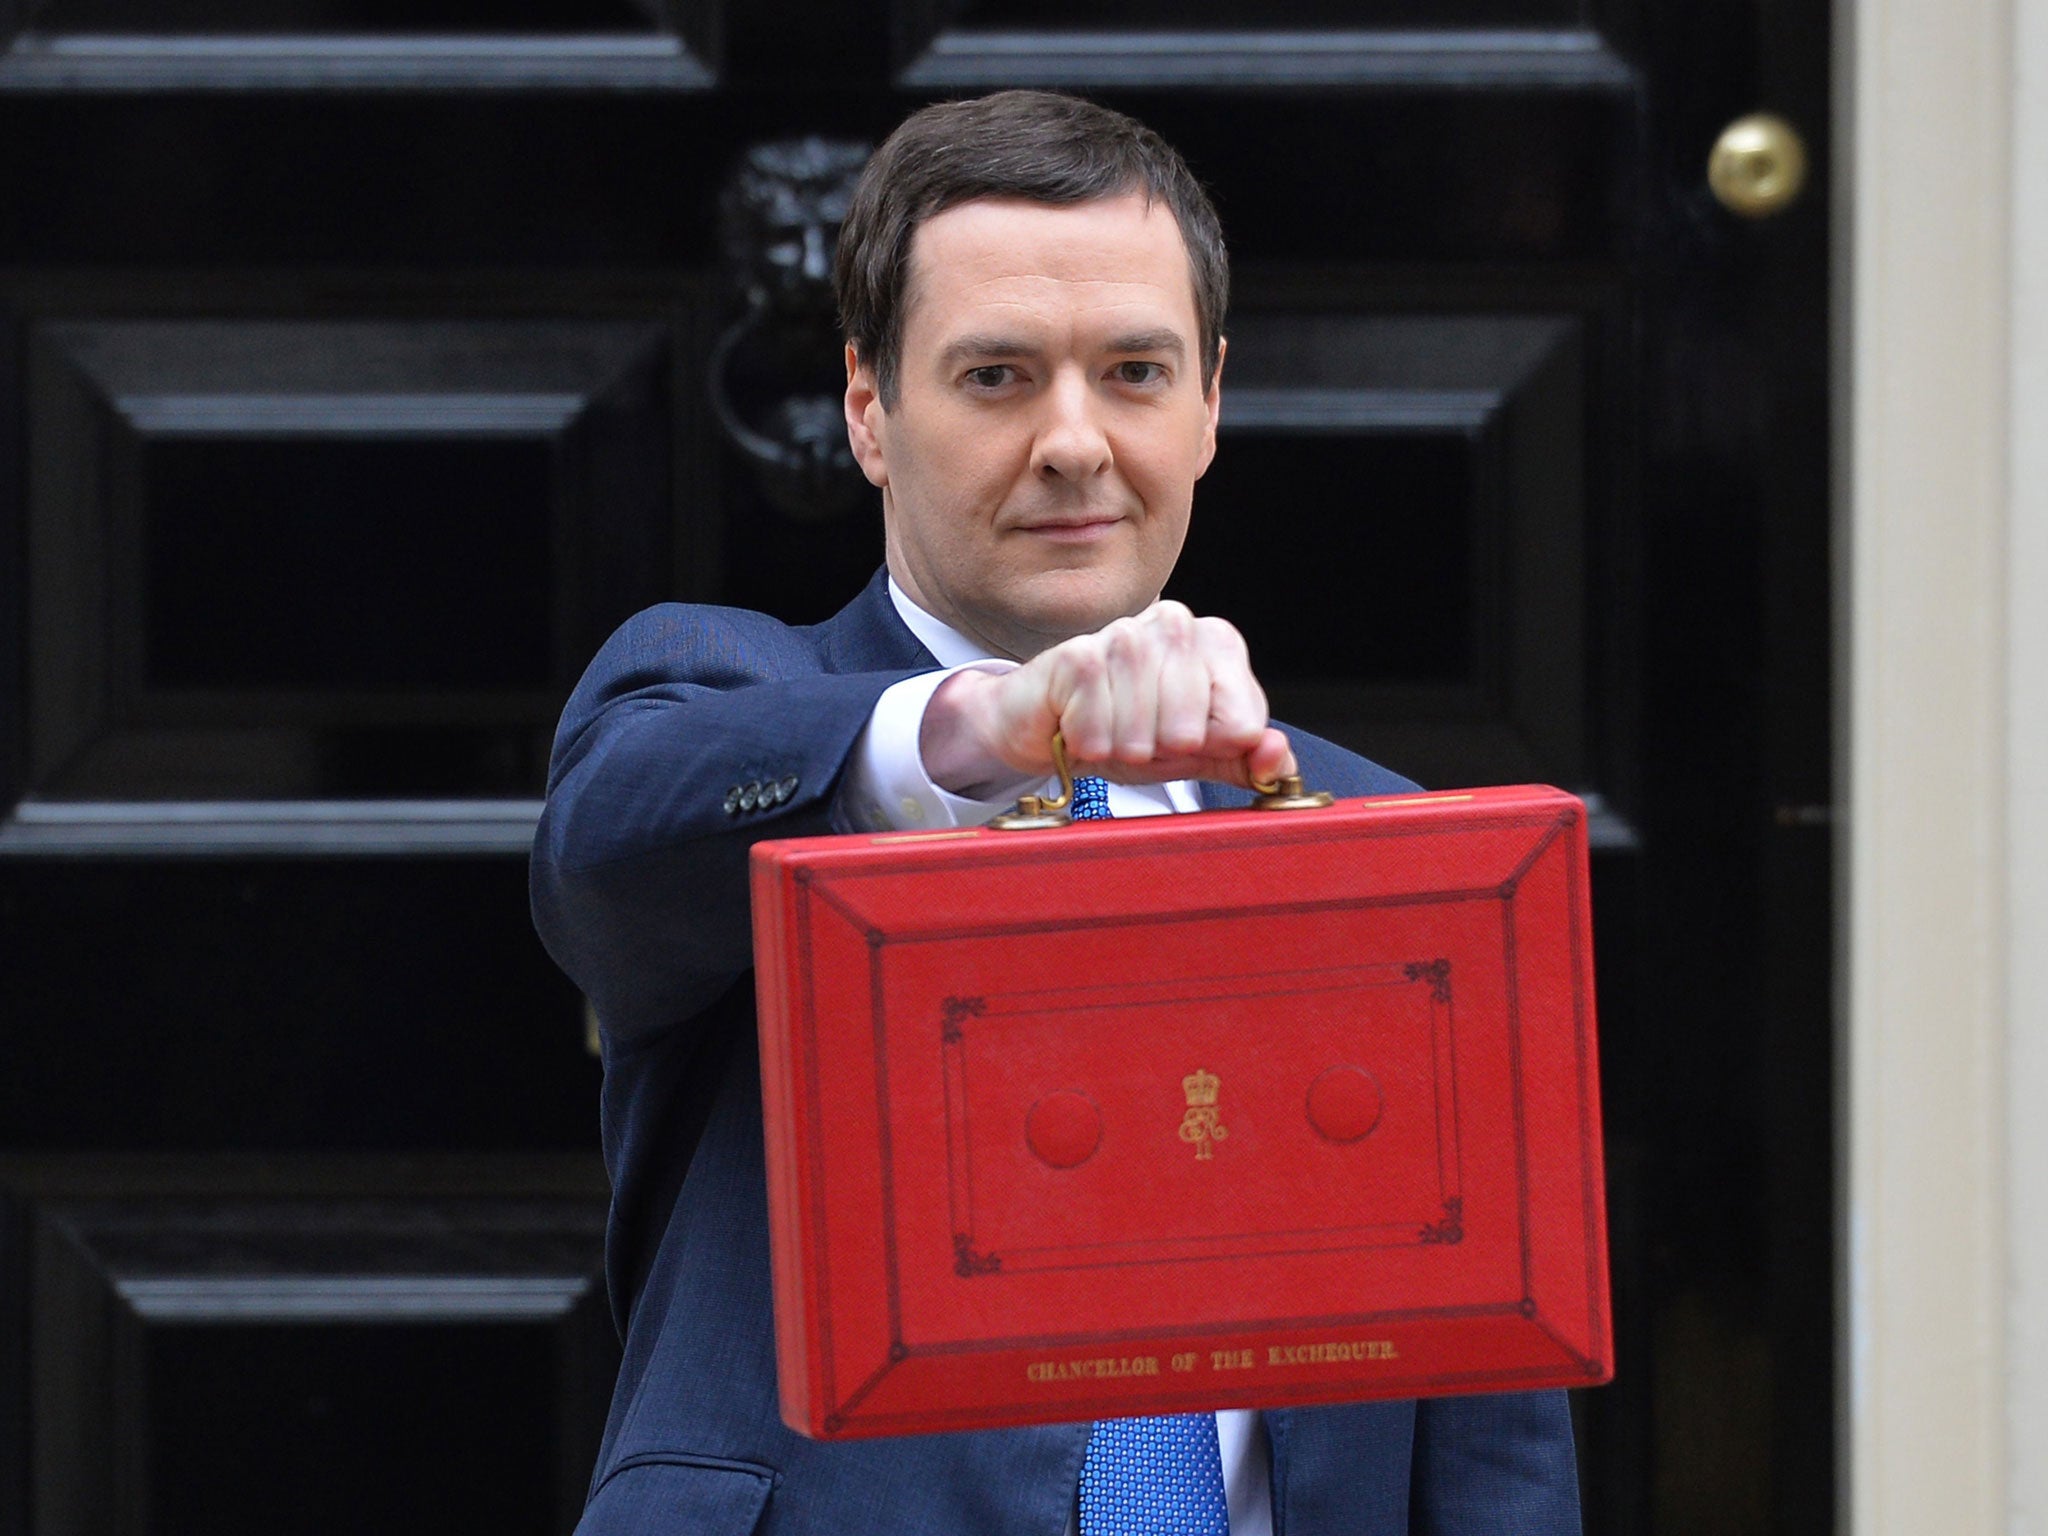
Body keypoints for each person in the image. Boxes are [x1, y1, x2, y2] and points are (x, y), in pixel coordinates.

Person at [532, 89, 1582, 1535]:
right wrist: (992, 731)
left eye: (1135, 372)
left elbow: (1491, 1433)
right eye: (998, 377)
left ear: (1211, 400)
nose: (1076, 440)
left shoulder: (1388, 839)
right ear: (867, 411)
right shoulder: (723, 702)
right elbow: (609, 859)